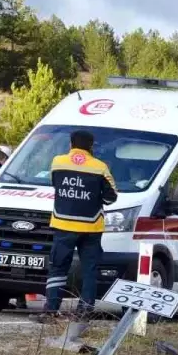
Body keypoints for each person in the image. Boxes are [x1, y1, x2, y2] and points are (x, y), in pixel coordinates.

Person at [34, 130, 117, 322]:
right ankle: (84, 311)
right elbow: (111, 196)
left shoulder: (58, 162)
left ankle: (50, 310)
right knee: (89, 270)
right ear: (91, 147)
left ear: (71, 144)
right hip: (91, 228)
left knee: (58, 268)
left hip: (63, 224)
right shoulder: (100, 167)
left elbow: (55, 184)